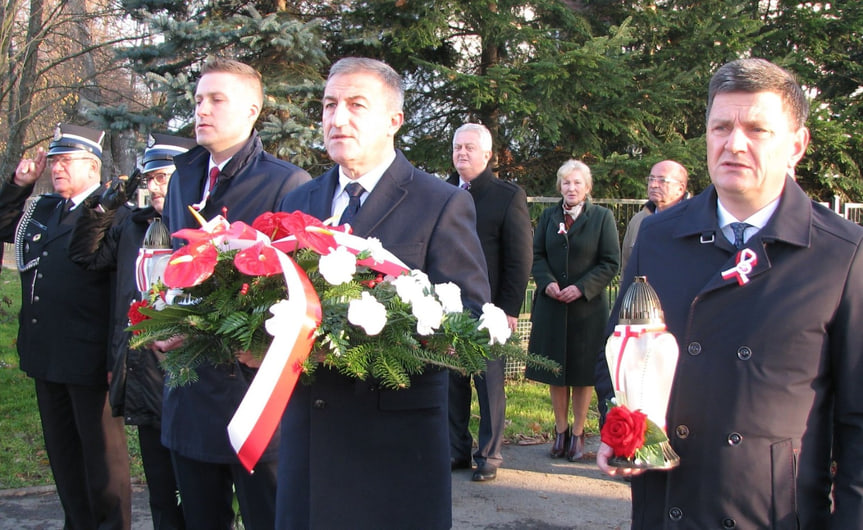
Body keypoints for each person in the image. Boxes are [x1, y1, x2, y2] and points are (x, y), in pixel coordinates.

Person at [596, 58, 863, 528]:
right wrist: (622, 429)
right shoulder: (658, 238)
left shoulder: (841, 254)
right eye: (721, 127)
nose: (733, 144)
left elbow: (858, 419)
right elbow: (616, 352)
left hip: (775, 514)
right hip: (667, 508)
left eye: (757, 130)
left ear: (796, 145)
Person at [277, 57, 491, 529]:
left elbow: (471, 317)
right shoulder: (298, 203)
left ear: (394, 120)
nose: (337, 118)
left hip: (394, 449)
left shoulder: (441, 202)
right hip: (310, 442)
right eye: (329, 104)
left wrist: (365, 337)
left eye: (356, 104)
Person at [156, 58, 311, 530]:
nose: (202, 109)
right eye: (199, 99)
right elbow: (173, 267)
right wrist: (162, 321)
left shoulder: (286, 183)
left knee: (271, 518)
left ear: (251, 111)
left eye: (216, 99)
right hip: (189, 390)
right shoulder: (183, 176)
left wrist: (252, 343)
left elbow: (299, 290)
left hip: (252, 396)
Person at [0, 124, 132, 529]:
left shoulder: (112, 213)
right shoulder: (42, 209)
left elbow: (120, 291)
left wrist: (117, 357)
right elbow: (5, 225)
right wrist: (19, 186)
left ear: (93, 167)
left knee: (101, 461)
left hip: (89, 358)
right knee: (63, 457)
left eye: (67, 161)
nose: (57, 169)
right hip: (45, 353)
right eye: (54, 162)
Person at [69, 133, 197, 530]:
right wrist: (105, 205)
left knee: (195, 494)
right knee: (159, 492)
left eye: (165, 178)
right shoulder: (132, 225)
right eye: (151, 179)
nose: (156, 187)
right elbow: (85, 255)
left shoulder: (201, 227)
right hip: (140, 371)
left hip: (184, 372)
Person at [446, 123, 532, 482]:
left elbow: (519, 257)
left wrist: (509, 308)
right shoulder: (444, 191)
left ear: (487, 154)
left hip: (489, 307)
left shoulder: (506, 195)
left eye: (469, 148)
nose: (461, 153)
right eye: (456, 148)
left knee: (488, 382)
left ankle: (490, 454)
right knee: (452, 381)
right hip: (446, 304)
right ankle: (456, 449)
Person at [526, 160, 619, 461]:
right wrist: (546, 282)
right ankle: (560, 431)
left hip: (587, 310)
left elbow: (610, 263)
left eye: (577, 183)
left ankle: (578, 434)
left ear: (587, 187)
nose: (571, 188)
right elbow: (536, 255)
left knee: (582, 374)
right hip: (552, 307)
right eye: (566, 182)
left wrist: (581, 287)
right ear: (560, 186)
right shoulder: (548, 216)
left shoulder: (603, 218)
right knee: (557, 373)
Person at [619, 160, 688, 274]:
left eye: (662, 180)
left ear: (680, 188)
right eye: (651, 179)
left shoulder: (696, 220)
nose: (653, 185)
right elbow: (627, 270)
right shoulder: (638, 221)